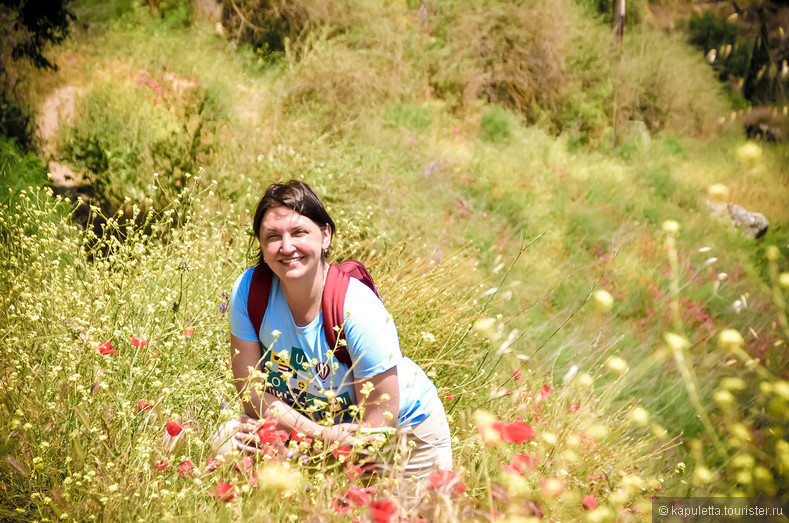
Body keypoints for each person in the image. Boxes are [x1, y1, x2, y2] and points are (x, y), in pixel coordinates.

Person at [213, 180, 452, 480]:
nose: (287, 247)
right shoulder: (249, 291)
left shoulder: (357, 309)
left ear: (325, 235)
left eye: (299, 233)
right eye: (273, 237)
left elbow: (375, 431)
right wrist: (319, 435)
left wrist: (321, 456)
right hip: (322, 429)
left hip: (403, 434)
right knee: (228, 441)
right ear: (261, 245)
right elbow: (250, 392)